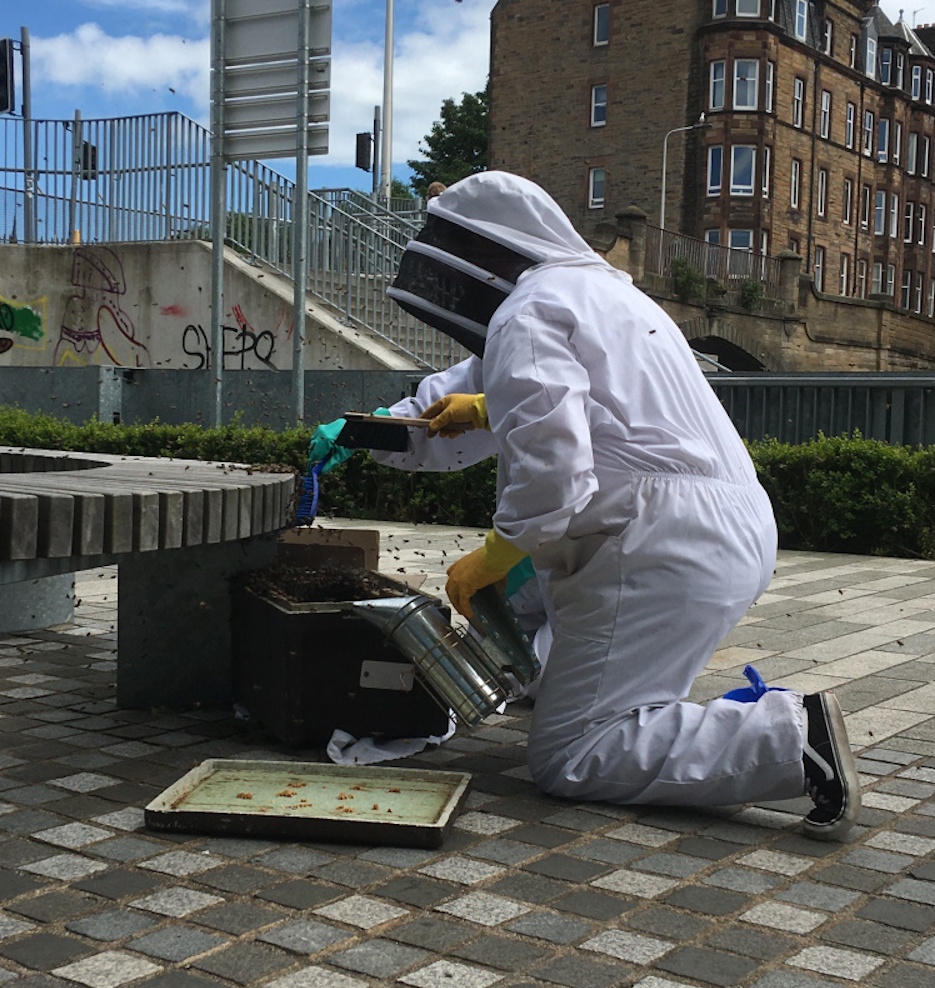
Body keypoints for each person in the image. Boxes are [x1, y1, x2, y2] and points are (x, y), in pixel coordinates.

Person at [311, 170, 860, 841]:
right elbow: (457, 402)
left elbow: (553, 471)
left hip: (656, 544)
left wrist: (499, 551)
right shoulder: (593, 297)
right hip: (692, 529)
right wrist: (368, 428)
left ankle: (790, 742)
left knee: (572, 754)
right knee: (513, 610)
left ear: (487, 250)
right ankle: (522, 684)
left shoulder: (532, 310)